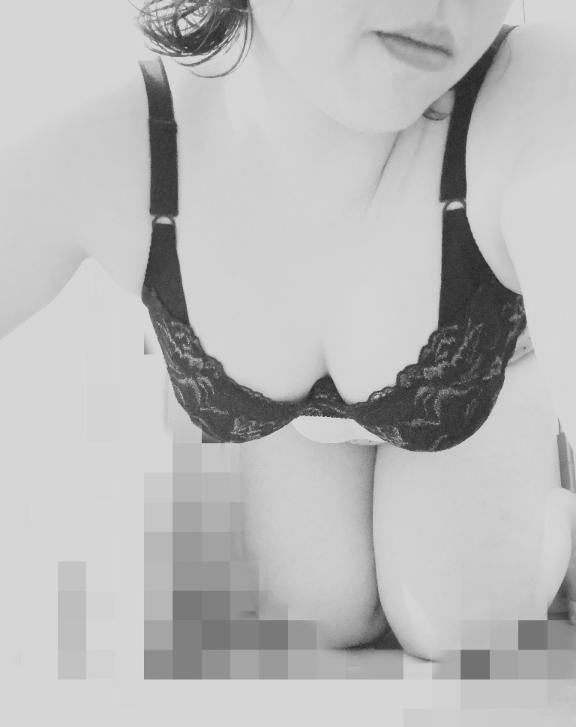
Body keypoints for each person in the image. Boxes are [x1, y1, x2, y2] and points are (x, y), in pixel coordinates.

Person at [1, 0, 576, 660]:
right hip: (293, 417)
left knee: (464, 627)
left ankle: (551, 490)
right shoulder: (109, 138)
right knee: (315, 617)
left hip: (481, 376)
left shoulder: (540, 93)